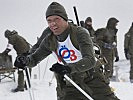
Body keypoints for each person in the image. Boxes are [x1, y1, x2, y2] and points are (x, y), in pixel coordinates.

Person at [14, 2, 119, 100]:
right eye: (49, 21)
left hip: (93, 78)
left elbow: (90, 60)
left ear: (65, 19)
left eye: (57, 19)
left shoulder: (80, 33)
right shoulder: (49, 40)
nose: (53, 24)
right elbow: (34, 59)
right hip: (72, 82)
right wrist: (25, 61)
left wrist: (68, 68)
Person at [95, 17, 119, 83]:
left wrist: (116, 55)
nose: (116, 25)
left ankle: (107, 82)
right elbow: (97, 41)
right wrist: (105, 45)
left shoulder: (114, 33)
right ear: (112, 24)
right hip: (104, 54)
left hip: (111, 54)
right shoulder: (104, 31)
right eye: (115, 24)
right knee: (105, 69)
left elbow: (114, 45)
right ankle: (103, 83)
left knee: (110, 69)